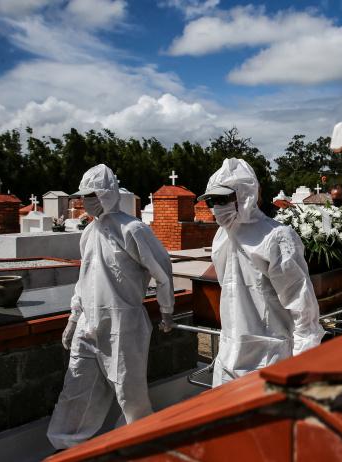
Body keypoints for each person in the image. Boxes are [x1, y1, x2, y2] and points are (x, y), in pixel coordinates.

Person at [48, 164, 175, 449]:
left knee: (130, 392)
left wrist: (166, 309)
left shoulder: (133, 229)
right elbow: (85, 279)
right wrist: (73, 318)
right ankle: (65, 445)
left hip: (124, 324)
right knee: (77, 386)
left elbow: (162, 270)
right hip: (87, 323)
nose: (86, 201)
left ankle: (140, 445)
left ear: (107, 194)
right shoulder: (88, 232)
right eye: (83, 196)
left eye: (92, 195)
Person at [201, 158, 324, 386]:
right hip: (227, 355)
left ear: (245, 194)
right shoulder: (221, 237)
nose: (217, 207)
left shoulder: (275, 237)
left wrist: (303, 363)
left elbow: (302, 305)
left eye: (222, 199)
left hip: (268, 358)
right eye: (212, 201)